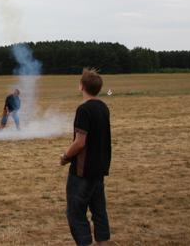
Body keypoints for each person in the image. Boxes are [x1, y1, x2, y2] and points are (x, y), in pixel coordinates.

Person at [60, 68, 112, 246]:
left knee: (75, 213)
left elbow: (80, 142)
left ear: (81, 86)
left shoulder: (83, 110)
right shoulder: (103, 107)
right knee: (99, 211)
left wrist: (65, 156)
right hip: (99, 169)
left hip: (82, 172)